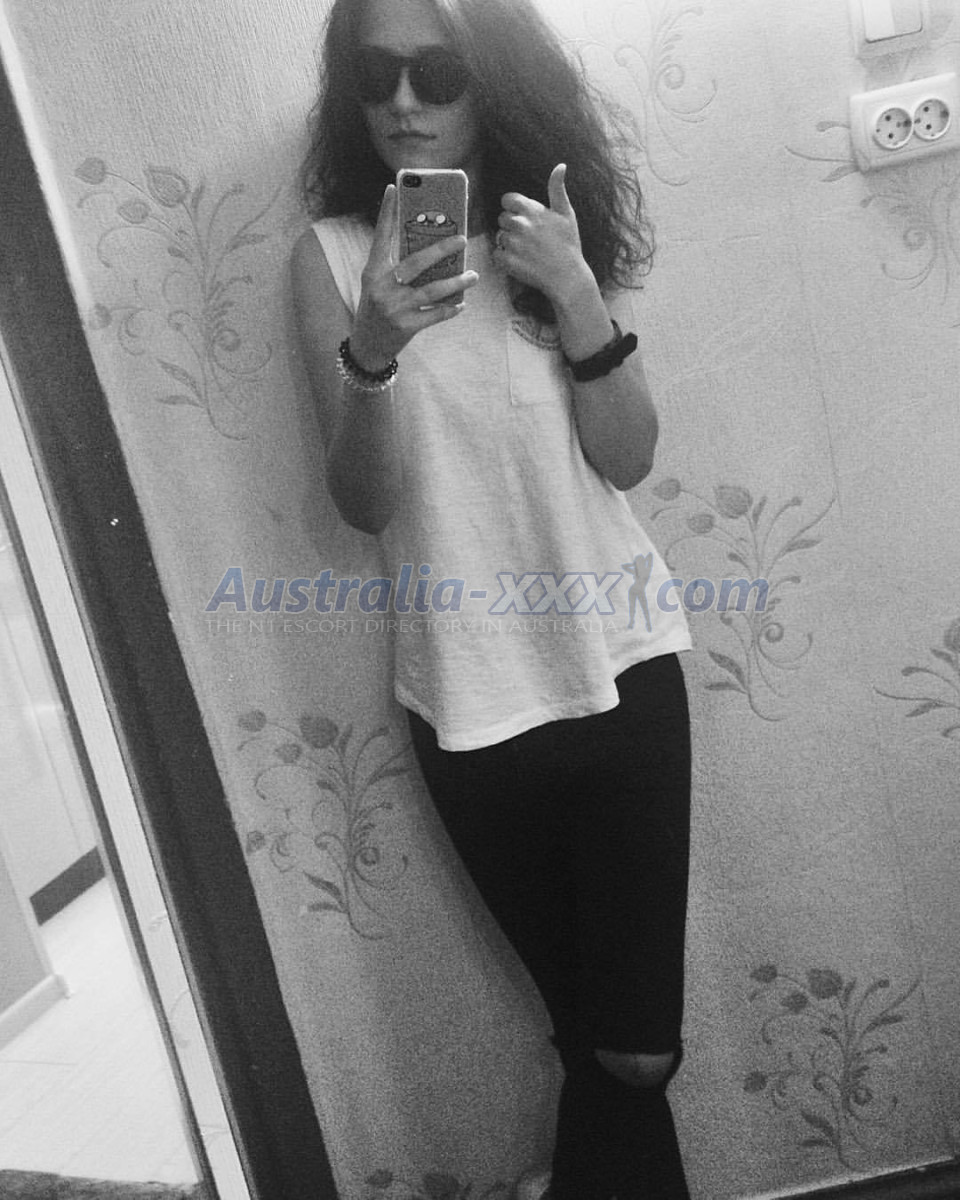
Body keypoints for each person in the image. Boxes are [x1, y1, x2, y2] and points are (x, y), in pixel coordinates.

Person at [292, 0, 693, 1195]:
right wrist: (375, 347)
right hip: (465, 699)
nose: (402, 102)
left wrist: (577, 297)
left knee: (633, 1050)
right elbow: (367, 503)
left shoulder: (546, 235)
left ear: (494, 81)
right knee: (599, 1045)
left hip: (621, 667)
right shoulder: (330, 261)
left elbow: (627, 458)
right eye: (375, 74)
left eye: (438, 71)